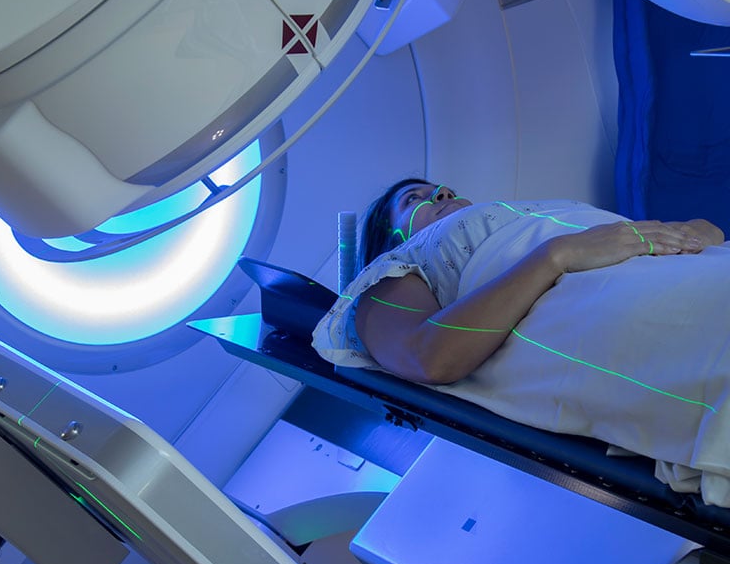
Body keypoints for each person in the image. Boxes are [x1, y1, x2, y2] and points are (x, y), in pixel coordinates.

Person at [312, 179, 730, 505]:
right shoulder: (397, 267)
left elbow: (705, 230)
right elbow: (430, 358)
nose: (441, 192)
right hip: (602, 294)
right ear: (393, 239)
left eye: (445, 189)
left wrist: (695, 232)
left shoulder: (538, 211)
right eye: (413, 199)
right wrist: (558, 254)